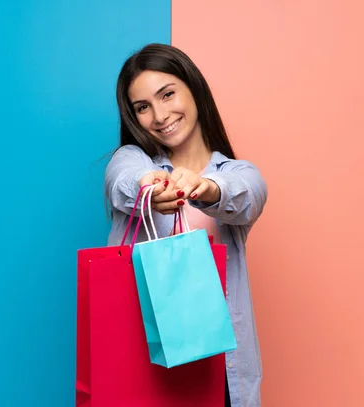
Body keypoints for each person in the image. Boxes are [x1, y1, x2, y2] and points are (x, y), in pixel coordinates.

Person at [104, 43, 267, 407]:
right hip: (143, 362)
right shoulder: (131, 160)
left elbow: (247, 194)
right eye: (142, 107)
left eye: (167, 94)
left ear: (194, 89)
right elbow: (122, 181)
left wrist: (208, 189)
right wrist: (148, 188)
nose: (159, 115)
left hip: (218, 371)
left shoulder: (237, 174)